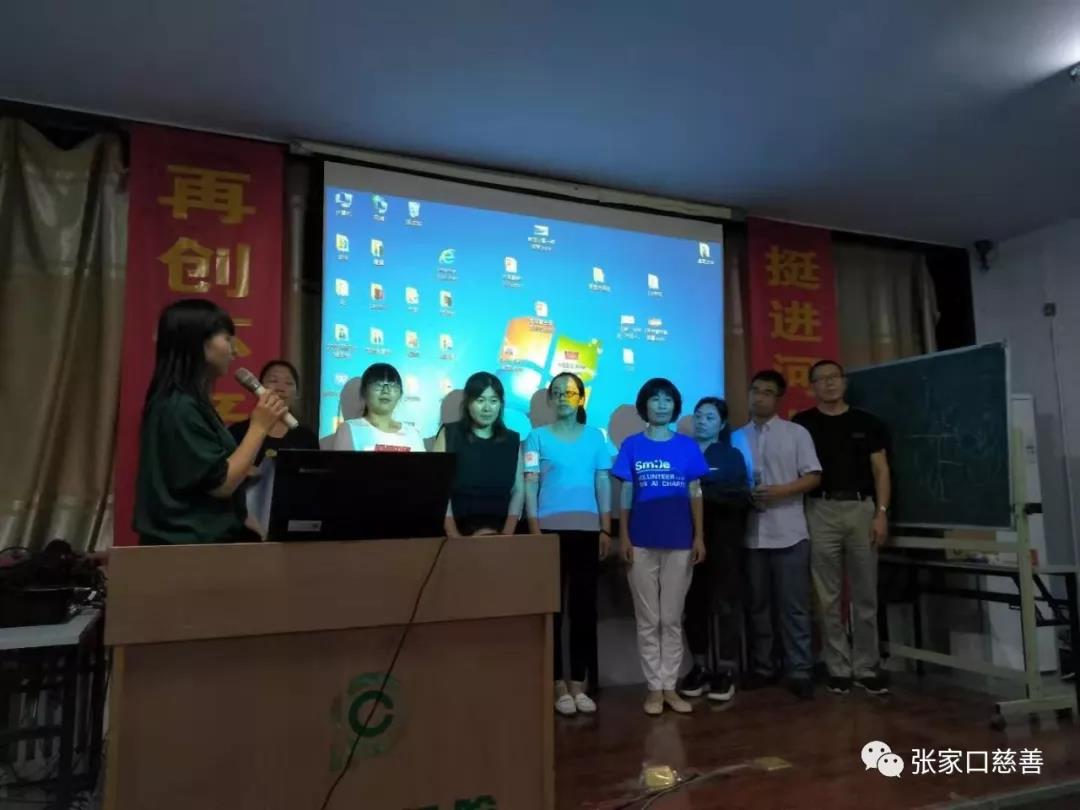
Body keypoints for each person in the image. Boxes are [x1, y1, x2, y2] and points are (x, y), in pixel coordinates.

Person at [134, 299, 288, 546]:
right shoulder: (178, 408)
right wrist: (259, 427)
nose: (234, 351)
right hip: (185, 550)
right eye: (227, 339)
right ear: (199, 343)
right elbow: (221, 484)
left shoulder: (189, 404)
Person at [793, 360, 892, 697]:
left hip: (862, 509)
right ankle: (837, 667)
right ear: (812, 387)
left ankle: (866, 666)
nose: (829, 383)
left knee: (866, 594)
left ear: (844, 382)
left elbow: (881, 470)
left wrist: (881, 513)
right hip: (820, 509)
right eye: (821, 379)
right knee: (827, 595)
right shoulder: (802, 424)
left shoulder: (868, 422)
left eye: (834, 377)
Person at [612, 378, 708, 716]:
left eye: (668, 399)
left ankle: (670, 687)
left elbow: (696, 493)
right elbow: (626, 495)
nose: (662, 405)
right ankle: (654, 689)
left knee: (671, 618)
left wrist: (699, 536)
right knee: (648, 619)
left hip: (680, 540)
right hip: (641, 540)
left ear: (675, 406)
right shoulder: (632, 445)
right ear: (645, 406)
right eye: (656, 399)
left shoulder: (687, 446)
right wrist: (624, 536)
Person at [524, 372, 613, 716]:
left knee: (583, 609)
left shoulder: (595, 437)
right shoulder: (536, 437)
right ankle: (557, 685)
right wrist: (534, 529)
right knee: (553, 611)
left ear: (580, 399)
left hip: (587, 531)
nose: (563, 397)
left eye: (570, 392)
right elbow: (530, 484)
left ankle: (578, 683)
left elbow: (602, 483)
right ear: (550, 399)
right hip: (548, 531)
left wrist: (605, 529)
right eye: (557, 392)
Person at [736, 370, 822, 700]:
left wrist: (781, 491)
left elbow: (813, 476)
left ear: (778, 398)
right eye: (755, 390)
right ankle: (763, 667)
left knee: (794, 606)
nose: (759, 397)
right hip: (752, 534)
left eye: (767, 392)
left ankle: (800, 669)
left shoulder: (796, 433)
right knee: (758, 606)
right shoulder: (736, 437)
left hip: (790, 532)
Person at [679, 397, 753, 703]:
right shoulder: (681, 451)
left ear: (721, 424)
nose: (702, 421)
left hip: (724, 540)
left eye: (709, 417)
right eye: (698, 415)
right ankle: (699, 666)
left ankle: (725, 669)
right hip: (685, 540)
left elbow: (739, 495)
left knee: (725, 604)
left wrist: (700, 493)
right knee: (693, 604)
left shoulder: (731, 455)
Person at [434, 372, 524, 536]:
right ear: (468, 402)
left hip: (501, 533)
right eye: (480, 400)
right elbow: (439, 490)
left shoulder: (512, 440)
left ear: (501, 404)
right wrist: (454, 536)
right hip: (456, 532)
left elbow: (518, 490)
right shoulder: (449, 434)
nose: (487, 408)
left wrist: (506, 535)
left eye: (494, 401)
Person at [228, 359, 319, 464]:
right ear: (258, 388)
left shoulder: (306, 438)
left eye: (289, 383)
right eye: (273, 381)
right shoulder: (237, 432)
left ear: (297, 393)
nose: (281, 388)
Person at [332, 363, 425, 452]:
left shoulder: (413, 433)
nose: (386, 390)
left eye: (392, 385)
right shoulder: (349, 429)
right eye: (378, 385)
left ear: (400, 394)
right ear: (364, 392)